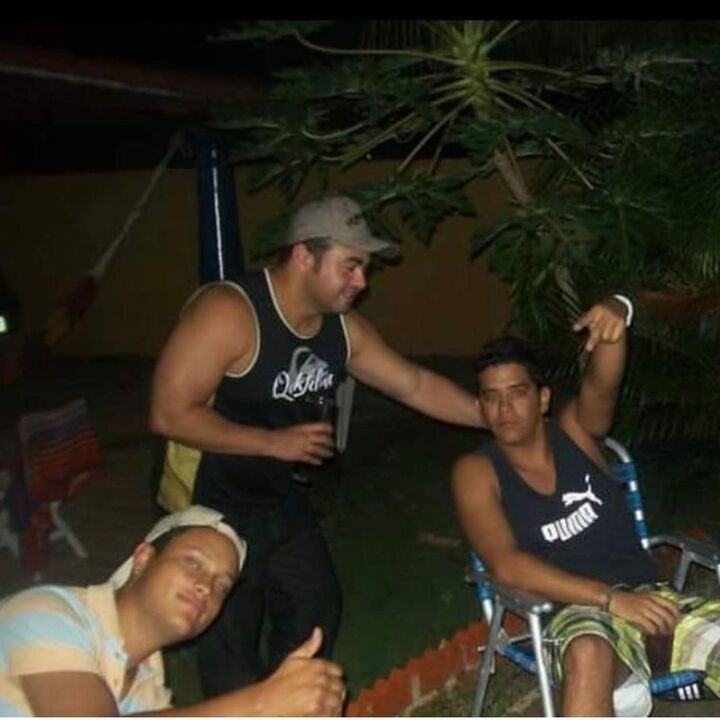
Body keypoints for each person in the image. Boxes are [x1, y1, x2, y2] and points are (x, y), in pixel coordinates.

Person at [149, 194, 484, 695]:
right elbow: (169, 414)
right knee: (230, 636)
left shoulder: (340, 329)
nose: (362, 281)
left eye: (364, 268)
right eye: (350, 266)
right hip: (213, 498)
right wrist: (272, 442)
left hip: (279, 494)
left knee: (314, 606)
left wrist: (493, 415)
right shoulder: (231, 311)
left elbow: (413, 385)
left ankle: (291, 702)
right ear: (305, 255)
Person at [451, 297, 720, 716]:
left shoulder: (574, 433)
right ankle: (620, 685)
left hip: (648, 601)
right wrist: (611, 600)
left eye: (517, 393)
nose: (504, 410)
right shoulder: (477, 471)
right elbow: (506, 565)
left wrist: (618, 313)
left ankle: (629, 684)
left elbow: (601, 385)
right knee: (589, 652)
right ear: (480, 407)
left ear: (542, 399)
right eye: (491, 397)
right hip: (574, 616)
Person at [0, 505, 345, 717]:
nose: (206, 586)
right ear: (143, 558)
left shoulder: (149, 695)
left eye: (222, 586)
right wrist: (261, 703)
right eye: (193, 562)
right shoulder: (47, 613)